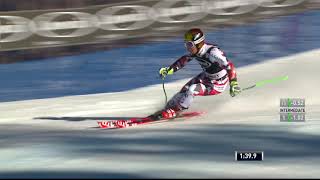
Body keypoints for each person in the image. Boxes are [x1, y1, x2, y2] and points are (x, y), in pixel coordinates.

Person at [149, 28, 242, 120]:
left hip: (218, 83)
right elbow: (184, 60)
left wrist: (233, 83)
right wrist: (169, 70)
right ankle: (168, 109)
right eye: (186, 44)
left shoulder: (213, 52)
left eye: (189, 44)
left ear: (198, 43)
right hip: (206, 76)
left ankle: (177, 111)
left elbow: (229, 66)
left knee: (192, 90)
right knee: (183, 91)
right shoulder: (196, 51)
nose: (188, 47)